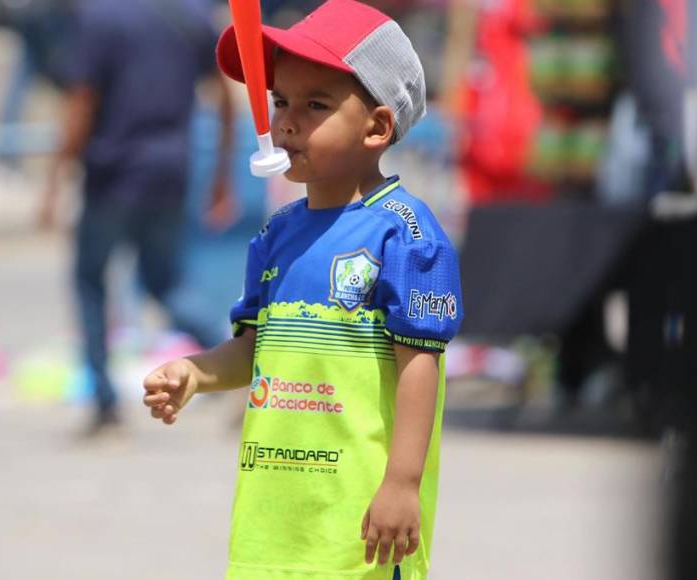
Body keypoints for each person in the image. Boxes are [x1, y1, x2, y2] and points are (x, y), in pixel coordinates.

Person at [142, 1, 463, 578]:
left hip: (360, 526)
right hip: (273, 523)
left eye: (315, 104)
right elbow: (253, 348)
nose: (287, 121)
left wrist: (401, 483)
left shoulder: (405, 233)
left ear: (377, 127)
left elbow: (421, 366)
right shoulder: (276, 233)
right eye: (280, 102)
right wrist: (195, 372)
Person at [39, 0, 236, 435]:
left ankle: (105, 404)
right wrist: (222, 174)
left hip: (112, 173)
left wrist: (54, 180)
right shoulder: (190, 15)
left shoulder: (100, 16)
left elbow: (81, 101)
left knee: (90, 282)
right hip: (170, 171)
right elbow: (224, 95)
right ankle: (242, 363)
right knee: (164, 284)